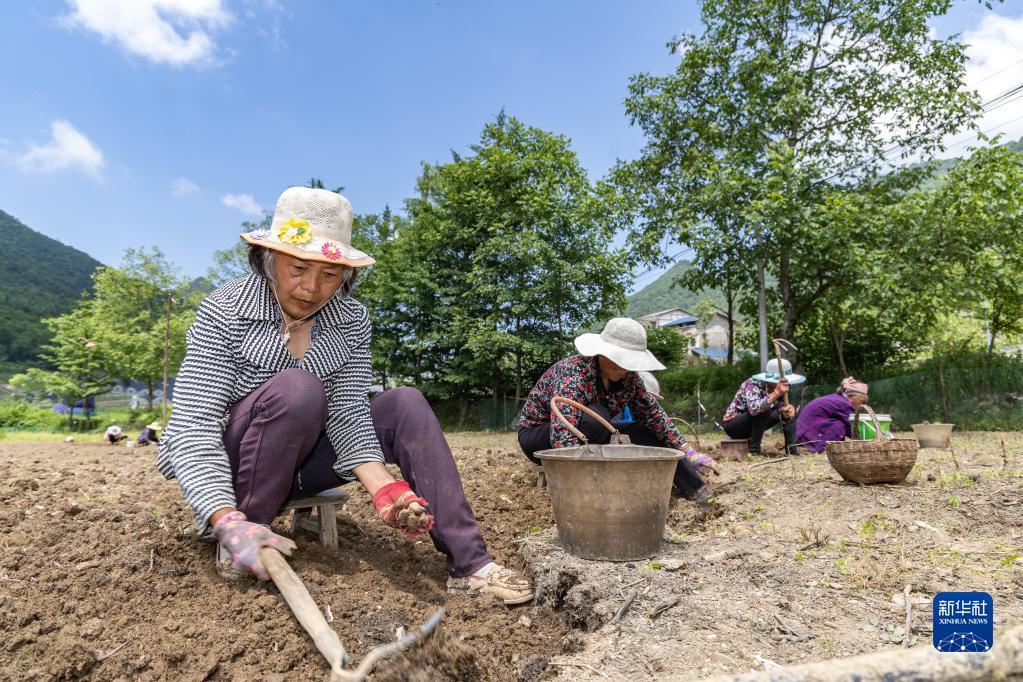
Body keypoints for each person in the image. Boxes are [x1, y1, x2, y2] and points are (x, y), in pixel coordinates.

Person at [156, 187, 532, 606]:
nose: (312, 287)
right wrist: (225, 516)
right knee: (298, 387)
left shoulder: (350, 320)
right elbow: (193, 425)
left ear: (345, 276)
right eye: (298, 267)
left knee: (404, 402)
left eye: (331, 275)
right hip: (238, 466)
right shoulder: (225, 309)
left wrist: (382, 487)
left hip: (304, 462)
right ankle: (245, 534)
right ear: (270, 259)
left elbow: (349, 412)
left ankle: (471, 566)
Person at [517, 318, 716, 501]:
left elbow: (652, 414)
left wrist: (687, 450)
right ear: (602, 353)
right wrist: (581, 482)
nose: (624, 368)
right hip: (541, 436)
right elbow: (562, 433)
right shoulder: (574, 373)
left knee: (645, 431)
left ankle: (697, 490)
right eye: (619, 360)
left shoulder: (629, 379)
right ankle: (586, 480)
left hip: (592, 432)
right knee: (596, 418)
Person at [722, 359, 804, 455]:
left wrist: (786, 414)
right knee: (764, 409)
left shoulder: (782, 390)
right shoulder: (753, 384)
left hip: (755, 425)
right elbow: (754, 409)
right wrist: (776, 393)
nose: (787, 385)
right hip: (734, 426)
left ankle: (791, 450)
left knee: (791, 411)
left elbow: (781, 409)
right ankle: (754, 451)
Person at [796, 377, 869, 453]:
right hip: (807, 434)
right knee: (840, 426)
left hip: (803, 431)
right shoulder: (844, 404)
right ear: (851, 396)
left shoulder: (837, 399)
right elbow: (849, 428)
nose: (861, 405)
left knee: (840, 425)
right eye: (861, 401)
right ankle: (822, 448)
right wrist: (865, 439)